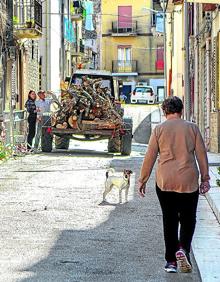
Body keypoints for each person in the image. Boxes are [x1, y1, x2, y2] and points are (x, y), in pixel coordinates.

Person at [138, 96, 210, 274]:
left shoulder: (159, 130)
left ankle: (171, 261)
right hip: (188, 181)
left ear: (164, 111)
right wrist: (205, 178)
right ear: (182, 110)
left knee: (169, 220)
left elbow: (150, 156)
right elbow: (201, 155)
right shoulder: (192, 128)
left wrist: (143, 179)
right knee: (188, 218)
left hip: (165, 181)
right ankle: (183, 249)